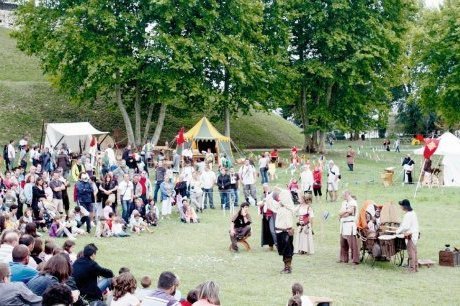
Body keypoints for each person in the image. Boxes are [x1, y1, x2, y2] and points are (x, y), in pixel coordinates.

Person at [267, 189, 296, 274]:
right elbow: (269, 201)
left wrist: (280, 190)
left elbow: (287, 195)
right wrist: (272, 191)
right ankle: (286, 266)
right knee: (282, 250)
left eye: (281, 196)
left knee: (288, 250)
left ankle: (288, 268)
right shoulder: (278, 206)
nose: (279, 197)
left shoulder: (290, 206)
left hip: (287, 232)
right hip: (279, 231)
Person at [396, 199, 419, 272]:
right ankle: (415, 267)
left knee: (411, 252)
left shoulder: (408, 215)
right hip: (414, 233)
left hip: (410, 235)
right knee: (414, 251)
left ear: (404, 207)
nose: (401, 207)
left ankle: (412, 268)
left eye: (401, 206)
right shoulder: (413, 213)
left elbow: (405, 227)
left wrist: (397, 231)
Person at [338, 191, 359, 265]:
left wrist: (344, 212)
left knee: (352, 243)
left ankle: (355, 260)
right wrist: (344, 212)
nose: (343, 197)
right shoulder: (343, 203)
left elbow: (349, 212)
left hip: (350, 224)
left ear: (348, 195)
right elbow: (340, 213)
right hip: (343, 224)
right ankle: (344, 258)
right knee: (343, 242)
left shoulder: (353, 202)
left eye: (344, 195)